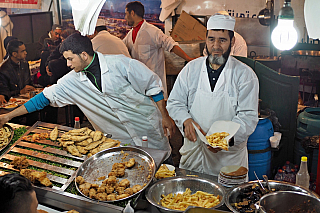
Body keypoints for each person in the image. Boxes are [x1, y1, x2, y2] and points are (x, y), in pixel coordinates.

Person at [0, 33, 175, 161]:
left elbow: (153, 87)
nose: (67, 64)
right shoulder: (71, 81)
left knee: (162, 167)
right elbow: (42, 99)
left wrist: (165, 116)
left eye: (70, 59)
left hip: (147, 129)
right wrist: (8, 115)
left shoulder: (121, 64)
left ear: (84, 55)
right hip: (119, 141)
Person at [166, 14, 259, 176]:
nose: (216, 46)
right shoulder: (191, 69)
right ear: (206, 39)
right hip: (194, 155)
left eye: (222, 40)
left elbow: (248, 117)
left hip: (227, 161)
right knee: (189, 197)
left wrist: (225, 139)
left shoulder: (245, 75)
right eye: (211, 39)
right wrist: (185, 120)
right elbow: (175, 103)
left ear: (232, 42)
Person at [123, 1, 195, 99]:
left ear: (132, 13)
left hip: (155, 85)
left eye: (126, 14)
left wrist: (188, 58)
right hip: (139, 85)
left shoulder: (152, 31)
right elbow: (121, 47)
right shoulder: (130, 34)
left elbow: (170, 44)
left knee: (158, 112)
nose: (125, 18)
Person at [0, 39, 35, 105]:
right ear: (14, 54)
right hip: (13, 102)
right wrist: (20, 91)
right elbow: (4, 92)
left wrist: (31, 87)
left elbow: (29, 82)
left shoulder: (24, 63)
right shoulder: (4, 69)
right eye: (22, 51)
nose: (26, 53)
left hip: (26, 99)